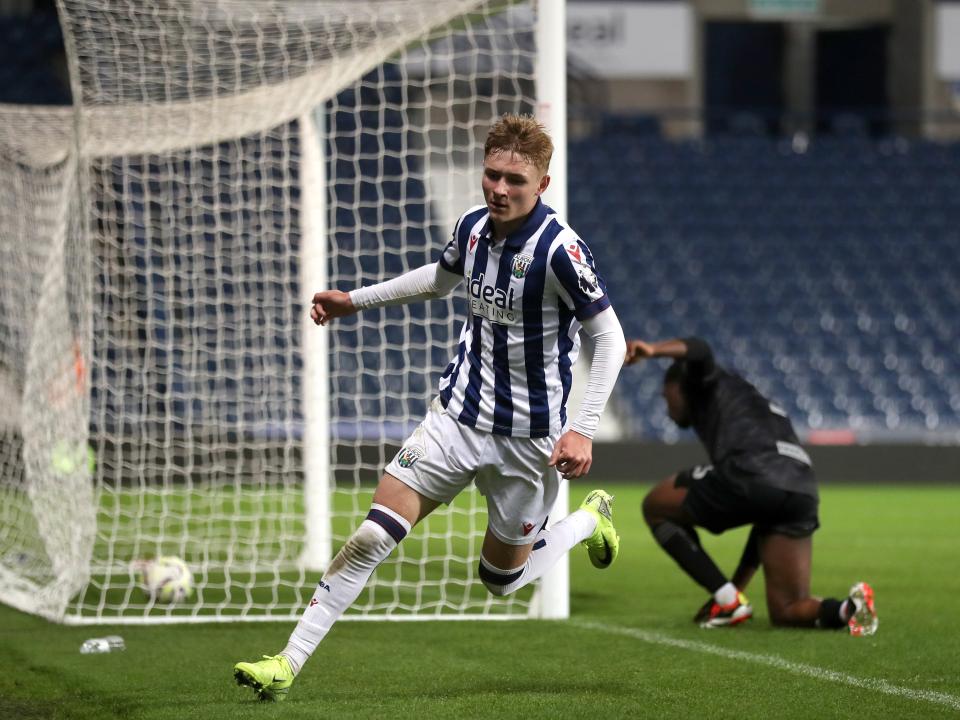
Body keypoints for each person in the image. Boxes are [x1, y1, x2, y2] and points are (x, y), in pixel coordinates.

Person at [234, 114, 627, 701]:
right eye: (492, 175)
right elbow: (439, 280)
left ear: (542, 184)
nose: (499, 189)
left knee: (500, 581)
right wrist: (353, 301)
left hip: (530, 442)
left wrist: (583, 429)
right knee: (372, 536)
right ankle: (286, 662)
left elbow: (610, 338)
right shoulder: (472, 228)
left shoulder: (560, 251)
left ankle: (588, 521)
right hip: (455, 419)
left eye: (515, 180)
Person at [624, 336, 878, 635]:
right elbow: (764, 509)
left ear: (680, 386)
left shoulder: (704, 381)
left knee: (655, 506)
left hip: (751, 472)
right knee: (787, 609)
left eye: (666, 397)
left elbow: (700, 350)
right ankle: (850, 609)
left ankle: (728, 601)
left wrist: (653, 351)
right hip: (801, 488)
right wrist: (735, 589)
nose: (667, 408)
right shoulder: (753, 401)